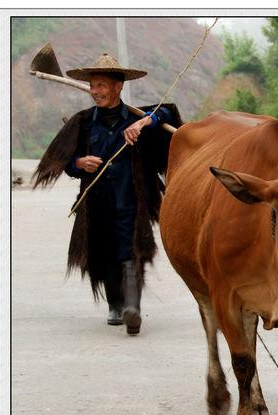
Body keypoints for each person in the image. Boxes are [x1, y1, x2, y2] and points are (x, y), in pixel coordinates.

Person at [32, 53, 182, 335]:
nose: (95, 92)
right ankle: (115, 304)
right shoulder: (83, 122)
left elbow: (169, 114)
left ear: (118, 86)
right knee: (103, 252)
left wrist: (145, 122)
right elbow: (64, 159)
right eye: (92, 86)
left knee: (131, 250)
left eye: (101, 85)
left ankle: (133, 308)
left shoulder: (137, 119)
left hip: (131, 201)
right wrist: (79, 163)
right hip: (96, 204)